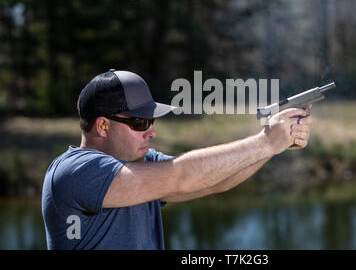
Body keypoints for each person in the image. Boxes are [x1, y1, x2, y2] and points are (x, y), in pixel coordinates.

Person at [41, 69, 313, 249]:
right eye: (140, 121)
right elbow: (181, 176)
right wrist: (264, 142)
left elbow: (213, 182)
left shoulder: (139, 164)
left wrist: (273, 145)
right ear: (102, 126)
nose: (152, 130)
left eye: (152, 120)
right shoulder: (75, 172)